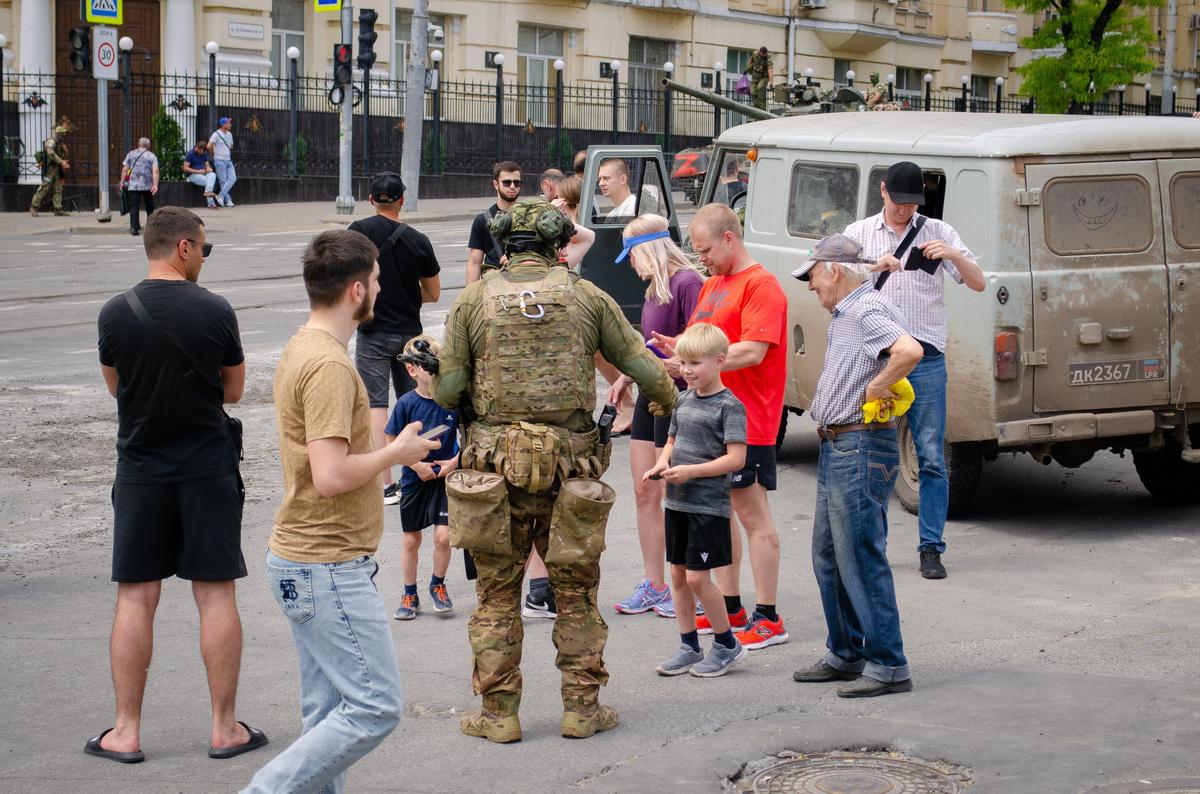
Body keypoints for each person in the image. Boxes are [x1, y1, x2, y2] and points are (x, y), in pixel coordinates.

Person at [434, 197, 678, 743]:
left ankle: (499, 715)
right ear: (557, 245)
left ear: (502, 247)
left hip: (493, 472)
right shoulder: (586, 297)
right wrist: (668, 403)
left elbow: (448, 391)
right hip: (573, 469)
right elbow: (641, 365)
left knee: (497, 596)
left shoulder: (474, 302)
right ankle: (582, 709)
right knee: (575, 592)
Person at [243, 230, 439, 793]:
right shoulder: (328, 366)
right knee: (376, 707)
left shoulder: (304, 346)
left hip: (306, 560)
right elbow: (329, 476)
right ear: (357, 290)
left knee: (325, 719)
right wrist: (396, 453)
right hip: (324, 563)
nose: (380, 288)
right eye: (376, 280)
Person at [90, 206, 264, 764]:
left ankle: (126, 731)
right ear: (184, 247)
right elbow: (233, 391)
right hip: (207, 470)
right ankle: (223, 728)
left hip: (141, 471)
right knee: (214, 594)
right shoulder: (215, 310)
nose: (205, 259)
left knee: (136, 597)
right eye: (205, 249)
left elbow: (116, 388)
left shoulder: (115, 312)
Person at [789, 233, 924, 697]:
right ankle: (846, 650)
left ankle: (888, 663)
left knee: (860, 556)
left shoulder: (866, 309)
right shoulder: (852, 311)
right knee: (830, 555)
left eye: (812, 276)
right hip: (842, 445)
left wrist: (875, 388)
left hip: (859, 445)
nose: (810, 286)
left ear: (832, 270)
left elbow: (909, 351)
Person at [650, 203, 788, 651]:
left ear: (729, 238)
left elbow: (752, 351)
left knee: (752, 516)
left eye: (705, 249)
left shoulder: (761, 285)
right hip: (705, 419)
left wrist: (706, 361)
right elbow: (705, 345)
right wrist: (682, 351)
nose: (700, 258)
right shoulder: (713, 285)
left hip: (746, 420)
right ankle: (730, 608)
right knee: (719, 513)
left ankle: (768, 616)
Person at [841, 161, 984, 579]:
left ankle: (931, 548)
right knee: (874, 454)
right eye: (898, 202)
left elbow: (978, 283)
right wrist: (872, 267)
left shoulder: (939, 231)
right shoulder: (859, 232)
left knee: (932, 457)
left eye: (912, 204)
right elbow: (827, 272)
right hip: (878, 358)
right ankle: (874, 547)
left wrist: (954, 254)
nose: (905, 210)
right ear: (882, 191)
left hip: (926, 359)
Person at [607, 214, 704, 616]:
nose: (629, 263)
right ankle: (655, 584)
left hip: (680, 400)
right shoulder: (655, 288)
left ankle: (689, 585)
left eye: (631, 254)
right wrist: (628, 378)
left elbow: (700, 347)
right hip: (651, 396)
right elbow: (649, 352)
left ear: (649, 249)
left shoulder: (688, 284)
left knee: (676, 495)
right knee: (645, 490)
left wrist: (663, 366)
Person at [645, 323, 748, 678]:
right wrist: (661, 465)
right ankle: (688, 645)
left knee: (698, 579)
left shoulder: (729, 406)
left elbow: (736, 459)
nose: (686, 370)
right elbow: (671, 441)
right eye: (683, 362)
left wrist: (691, 472)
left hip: (707, 506)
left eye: (694, 363)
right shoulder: (684, 399)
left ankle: (726, 644)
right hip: (677, 503)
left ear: (720, 361)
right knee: (677, 575)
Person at [347, 172, 441, 506]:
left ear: (371, 200)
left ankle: (384, 485)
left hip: (372, 331)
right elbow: (433, 293)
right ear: (402, 199)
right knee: (413, 401)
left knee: (376, 405)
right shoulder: (418, 240)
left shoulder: (357, 232)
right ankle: (416, 473)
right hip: (408, 335)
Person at [387, 335, 460, 621]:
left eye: (435, 364)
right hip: (415, 478)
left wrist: (453, 464)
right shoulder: (406, 404)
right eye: (423, 364)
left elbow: (468, 440)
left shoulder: (451, 403)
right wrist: (417, 466)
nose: (431, 370)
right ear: (411, 370)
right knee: (411, 541)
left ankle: (437, 584)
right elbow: (392, 443)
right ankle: (409, 593)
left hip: (444, 477)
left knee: (444, 538)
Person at [467, 160, 523, 283]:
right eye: (507, 182)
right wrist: (470, 295)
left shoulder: (528, 216)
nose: (512, 186)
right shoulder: (483, 220)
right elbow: (474, 263)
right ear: (496, 184)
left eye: (517, 182)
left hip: (523, 282)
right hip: (494, 285)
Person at [551, 175, 595, 270]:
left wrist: (550, 212)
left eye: (556, 197)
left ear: (562, 201)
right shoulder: (588, 224)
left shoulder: (564, 229)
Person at [121, 137, 160, 236]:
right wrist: (155, 184)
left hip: (134, 186)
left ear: (139, 144)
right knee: (149, 207)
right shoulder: (151, 156)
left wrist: (122, 181)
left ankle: (134, 227)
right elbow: (155, 171)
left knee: (134, 207)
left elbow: (125, 170)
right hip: (148, 186)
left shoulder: (131, 154)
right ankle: (151, 228)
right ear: (149, 146)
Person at [30, 123, 71, 216]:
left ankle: (58, 209)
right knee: (44, 188)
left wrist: (63, 159)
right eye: (63, 134)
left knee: (58, 188)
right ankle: (34, 207)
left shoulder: (61, 144)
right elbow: (51, 154)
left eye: (65, 134)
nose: (64, 136)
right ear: (58, 134)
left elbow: (60, 155)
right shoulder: (51, 142)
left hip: (57, 170)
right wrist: (62, 162)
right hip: (50, 170)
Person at [207, 117, 236, 207]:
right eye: (229, 123)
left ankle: (221, 195)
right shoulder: (216, 134)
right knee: (223, 180)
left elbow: (231, 146)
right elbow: (208, 146)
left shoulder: (229, 134)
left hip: (228, 159)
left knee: (232, 178)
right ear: (223, 124)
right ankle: (228, 200)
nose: (230, 125)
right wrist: (214, 153)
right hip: (219, 159)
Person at [183, 140, 219, 209]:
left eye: (200, 149)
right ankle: (211, 203)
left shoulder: (204, 154)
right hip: (193, 175)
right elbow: (185, 168)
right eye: (197, 148)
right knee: (208, 182)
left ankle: (207, 193)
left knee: (212, 174)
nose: (197, 149)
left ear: (203, 150)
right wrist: (198, 171)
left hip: (204, 173)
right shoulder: (190, 154)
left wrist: (209, 169)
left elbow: (207, 165)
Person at [746, 47, 773, 111]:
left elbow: (770, 71)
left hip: (764, 77)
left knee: (760, 87)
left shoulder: (768, 58)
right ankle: (756, 110)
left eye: (765, 54)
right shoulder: (755, 54)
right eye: (762, 54)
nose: (764, 55)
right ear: (760, 52)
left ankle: (762, 110)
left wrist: (771, 83)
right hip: (755, 77)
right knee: (752, 92)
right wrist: (747, 69)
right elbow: (750, 62)